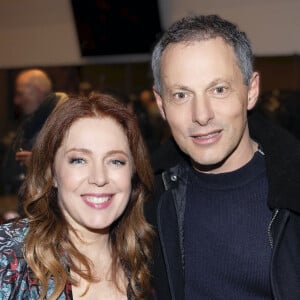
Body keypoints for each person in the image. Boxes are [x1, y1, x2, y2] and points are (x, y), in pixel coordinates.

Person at [146, 14, 300, 299]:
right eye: (181, 95)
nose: (202, 115)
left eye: (218, 90)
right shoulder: (146, 200)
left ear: (251, 91)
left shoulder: (293, 194)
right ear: (161, 104)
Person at [0, 94, 155, 299]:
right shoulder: (10, 254)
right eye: (79, 160)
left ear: (133, 173)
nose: (99, 178)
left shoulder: (147, 262)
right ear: (52, 173)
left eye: (116, 161)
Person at [0, 69, 67, 196]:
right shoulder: (29, 125)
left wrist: (40, 165)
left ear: (38, 90)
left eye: (21, 93)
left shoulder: (62, 123)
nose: (17, 101)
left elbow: (70, 170)